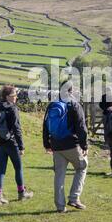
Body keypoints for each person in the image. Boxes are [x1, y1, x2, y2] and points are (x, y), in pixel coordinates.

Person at [43, 82, 89, 213]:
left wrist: (47, 144)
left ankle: (60, 206)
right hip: (71, 144)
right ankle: (74, 198)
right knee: (82, 167)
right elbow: (81, 127)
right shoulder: (74, 105)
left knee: (59, 175)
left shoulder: (52, 105)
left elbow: (45, 125)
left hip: (56, 145)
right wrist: (84, 145)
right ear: (71, 91)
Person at [0, 85, 34, 206]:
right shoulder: (12, 109)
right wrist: (21, 146)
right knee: (18, 168)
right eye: (14, 95)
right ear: (7, 97)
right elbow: (17, 128)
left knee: (1, 170)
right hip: (11, 143)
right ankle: (21, 193)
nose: (16, 97)